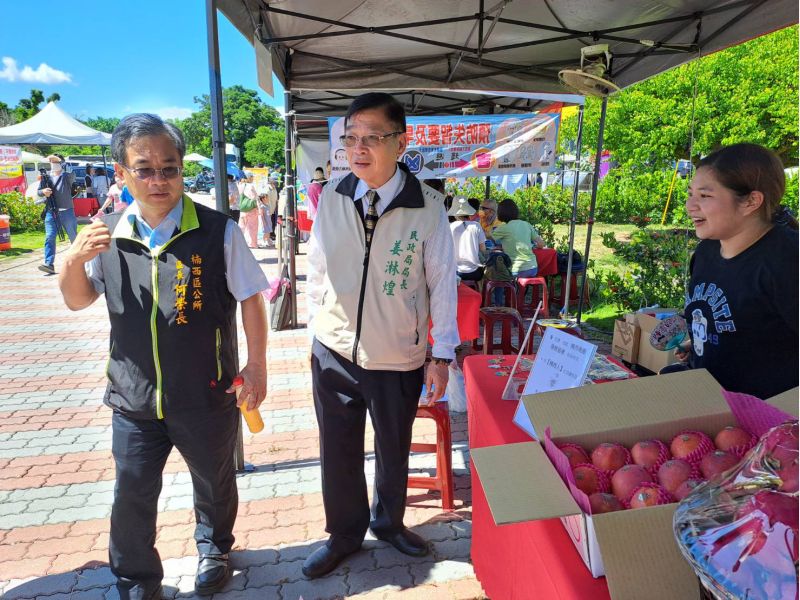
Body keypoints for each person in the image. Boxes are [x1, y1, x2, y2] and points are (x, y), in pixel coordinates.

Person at [56, 113, 269, 600]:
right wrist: (71, 261)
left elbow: (252, 298)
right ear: (122, 173)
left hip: (206, 392)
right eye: (144, 168)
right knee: (131, 492)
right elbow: (77, 298)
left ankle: (214, 549)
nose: (158, 180)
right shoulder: (107, 234)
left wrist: (255, 365)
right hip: (133, 397)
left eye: (168, 168)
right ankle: (135, 578)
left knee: (214, 482)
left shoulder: (218, 231)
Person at [303, 92, 459, 579]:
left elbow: (442, 284)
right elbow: (316, 268)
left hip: (397, 352)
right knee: (339, 446)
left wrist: (441, 354)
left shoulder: (428, 207)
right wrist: (317, 328)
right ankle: (344, 534)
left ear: (401, 142)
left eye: (373, 137)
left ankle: (390, 523)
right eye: (351, 137)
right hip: (334, 349)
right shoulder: (332, 196)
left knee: (394, 443)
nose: (359, 147)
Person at [675, 143, 798, 398]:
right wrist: (700, 343)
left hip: (769, 421)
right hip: (711, 405)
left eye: (705, 196)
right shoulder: (707, 251)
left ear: (751, 201)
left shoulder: (787, 260)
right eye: (690, 193)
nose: (690, 205)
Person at [35, 154, 78, 275]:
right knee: (50, 236)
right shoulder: (46, 177)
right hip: (51, 212)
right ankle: (49, 264)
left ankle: (79, 261)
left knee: (73, 237)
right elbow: (39, 192)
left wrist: (61, 161)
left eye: (55, 162)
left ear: (61, 164)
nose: (53, 164)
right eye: (51, 162)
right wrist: (43, 191)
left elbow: (72, 175)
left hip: (67, 211)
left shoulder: (66, 176)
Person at [491, 199, 544, 278]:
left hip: (516, 269)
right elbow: (541, 244)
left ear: (500, 212)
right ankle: (519, 289)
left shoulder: (504, 227)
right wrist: (532, 246)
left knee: (497, 275)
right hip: (533, 268)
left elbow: (488, 236)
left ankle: (505, 290)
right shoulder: (526, 224)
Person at [448, 197, 486, 281]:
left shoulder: (449, 227)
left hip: (455, 272)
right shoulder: (476, 225)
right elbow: (483, 249)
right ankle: (479, 293)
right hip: (474, 272)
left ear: (454, 213)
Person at [237, 172, 260, 248]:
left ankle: (240, 243)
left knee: (242, 227)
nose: (253, 178)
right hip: (251, 210)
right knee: (252, 227)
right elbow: (254, 197)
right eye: (252, 177)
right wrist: (259, 208)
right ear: (249, 177)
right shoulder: (251, 186)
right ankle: (252, 244)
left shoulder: (239, 185)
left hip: (242, 209)